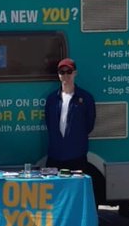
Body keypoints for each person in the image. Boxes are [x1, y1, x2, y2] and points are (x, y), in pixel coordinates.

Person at [45, 57, 109, 208]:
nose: (65, 75)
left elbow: (89, 125)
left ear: (75, 73)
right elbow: (49, 123)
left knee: (76, 196)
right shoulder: (51, 99)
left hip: (76, 156)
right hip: (55, 156)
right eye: (62, 72)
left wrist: (74, 140)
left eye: (69, 72)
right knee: (54, 195)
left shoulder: (85, 98)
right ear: (58, 75)